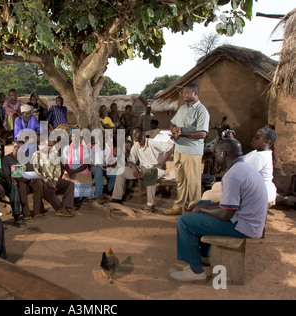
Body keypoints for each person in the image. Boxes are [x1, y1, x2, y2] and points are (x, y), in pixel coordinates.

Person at [170, 138, 268, 282]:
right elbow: (227, 205)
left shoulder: (233, 175)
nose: (215, 158)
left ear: (224, 154)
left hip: (243, 226)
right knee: (203, 202)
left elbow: (225, 213)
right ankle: (204, 254)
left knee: (184, 221)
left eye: (216, 154)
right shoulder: (242, 168)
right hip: (247, 220)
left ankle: (196, 271)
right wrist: (201, 206)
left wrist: (202, 209)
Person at [164, 83, 210, 215]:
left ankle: (195, 210)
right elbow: (173, 123)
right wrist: (174, 129)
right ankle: (179, 207)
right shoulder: (182, 108)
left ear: (195, 94)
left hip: (192, 152)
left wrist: (182, 134)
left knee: (193, 183)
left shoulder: (201, 111)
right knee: (180, 181)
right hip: (179, 149)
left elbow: (202, 134)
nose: (184, 94)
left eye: (187, 92)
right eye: (183, 92)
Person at [111, 127, 173, 211]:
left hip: (156, 169)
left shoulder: (153, 142)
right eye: (133, 134)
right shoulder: (135, 147)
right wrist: (133, 166)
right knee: (121, 171)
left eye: (136, 133)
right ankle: (116, 199)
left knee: (150, 173)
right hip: (143, 169)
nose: (134, 136)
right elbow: (131, 160)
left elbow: (171, 149)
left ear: (143, 133)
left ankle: (150, 205)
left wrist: (161, 164)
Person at [1, 140, 44, 221]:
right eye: (15, 147)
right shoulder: (6, 159)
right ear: (12, 148)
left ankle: (37, 211)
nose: (17, 149)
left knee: (39, 184)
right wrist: (16, 178)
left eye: (20, 148)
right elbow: (6, 175)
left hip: (27, 181)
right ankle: (26, 213)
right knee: (22, 186)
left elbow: (31, 171)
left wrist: (33, 177)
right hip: (17, 183)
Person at [32, 139, 76, 217]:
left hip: (53, 179)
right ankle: (60, 209)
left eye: (51, 146)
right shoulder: (37, 155)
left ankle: (67, 207)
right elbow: (36, 172)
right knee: (48, 189)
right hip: (42, 180)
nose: (49, 147)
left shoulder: (55, 154)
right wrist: (47, 181)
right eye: (48, 145)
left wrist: (55, 181)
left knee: (70, 184)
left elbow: (58, 168)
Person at [242, 127, 277, 206]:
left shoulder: (260, 157)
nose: (253, 139)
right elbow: (239, 160)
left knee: (211, 195)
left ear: (267, 142)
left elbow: (241, 172)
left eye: (257, 138)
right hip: (261, 193)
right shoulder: (256, 152)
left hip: (261, 196)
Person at [62, 131, 94, 201]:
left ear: (80, 139)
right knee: (69, 178)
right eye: (73, 137)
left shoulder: (84, 148)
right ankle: (74, 197)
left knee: (85, 174)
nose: (75, 138)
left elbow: (86, 163)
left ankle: (83, 196)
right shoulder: (66, 148)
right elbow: (65, 163)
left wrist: (75, 171)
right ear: (71, 138)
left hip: (81, 168)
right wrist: (70, 171)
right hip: (69, 168)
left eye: (77, 137)